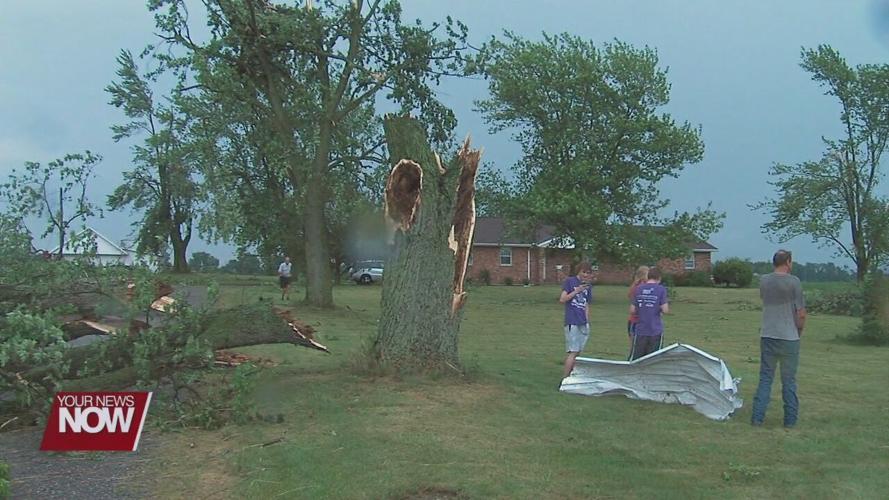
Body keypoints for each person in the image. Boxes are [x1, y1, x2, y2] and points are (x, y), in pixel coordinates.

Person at [751, 249, 806, 428]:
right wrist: (799, 331)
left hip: (768, 334)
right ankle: (790, 421)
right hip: (789, 336)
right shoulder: (794, 282)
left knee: (766, 377)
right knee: (788, 379)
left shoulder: (764, 281)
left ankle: (757, 418)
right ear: (788, 262)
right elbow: (801, 313)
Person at [559, 262, 595, 381]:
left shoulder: (588, 286)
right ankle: (565, 378)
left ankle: (572, 376)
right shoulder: (570, 281)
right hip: (572, 321)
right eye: (583, 272)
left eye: (588, 273)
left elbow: (586, 304)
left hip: (582, 322)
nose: (585, 275)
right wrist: (576, 291)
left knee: (578, 352)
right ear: (578, 271)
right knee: (573, 351)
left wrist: (587, 321)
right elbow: (562, 299)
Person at [629, 267, 669, 360]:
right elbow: (665, 310)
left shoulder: (638, 289)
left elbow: (632, 310)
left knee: (637, 357)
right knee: (653, 359)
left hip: (640, 329)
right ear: (659, 278)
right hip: (655, 329)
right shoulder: (661, 289)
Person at [627, 265, 650, 352]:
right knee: (636, 347)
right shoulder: (638, 287)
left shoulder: (641, 286)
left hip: (642, 321)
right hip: (636, 321)